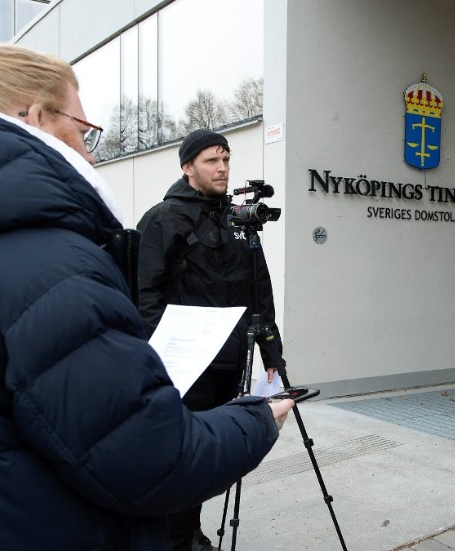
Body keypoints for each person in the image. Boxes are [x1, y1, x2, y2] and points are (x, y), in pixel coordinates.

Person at [0, 44, 293, 550]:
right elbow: (150, 458)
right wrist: (257, 418)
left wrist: (269, 354)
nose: (90, 154)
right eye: (84, 132)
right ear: (35, 116)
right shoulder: (52, 264)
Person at [136, 129, 287, 551]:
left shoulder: (239, 219)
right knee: (181, 455)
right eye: (211, 161)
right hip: (184, 366)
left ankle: (190, 533)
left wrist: (271, 351)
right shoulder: (163, 219)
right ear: (188, 167)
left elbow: (259, 290)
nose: (222, 168)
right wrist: (156, 355)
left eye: (226, 159)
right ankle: (174, 540)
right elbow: (144, 294)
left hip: (231, 360)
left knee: (212, 455)